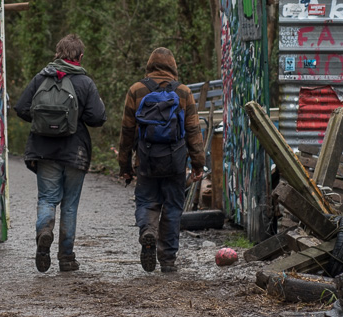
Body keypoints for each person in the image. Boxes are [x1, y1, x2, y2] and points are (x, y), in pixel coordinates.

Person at [13, 34, 107, 273]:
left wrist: (44, 120)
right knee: (70, 206)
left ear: (57, 53)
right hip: (76, 153)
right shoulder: (85, 83)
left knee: (47, 199)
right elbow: (98, 118)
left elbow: (22, 108)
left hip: (44, 151)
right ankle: (66, 258)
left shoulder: (41, 78)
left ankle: (44, 233)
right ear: (80, 56)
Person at [118, 47, 205, 274]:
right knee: (173, 207)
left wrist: (125, 166)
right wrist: (198, 164)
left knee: (147, 202)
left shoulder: (136, 90)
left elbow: (127, 132)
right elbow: (194, 132)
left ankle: (148, 231)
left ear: (150, 65)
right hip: (175, 161)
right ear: (173, 67)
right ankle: (167, 259)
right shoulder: (184, 92)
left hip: (146, 160)